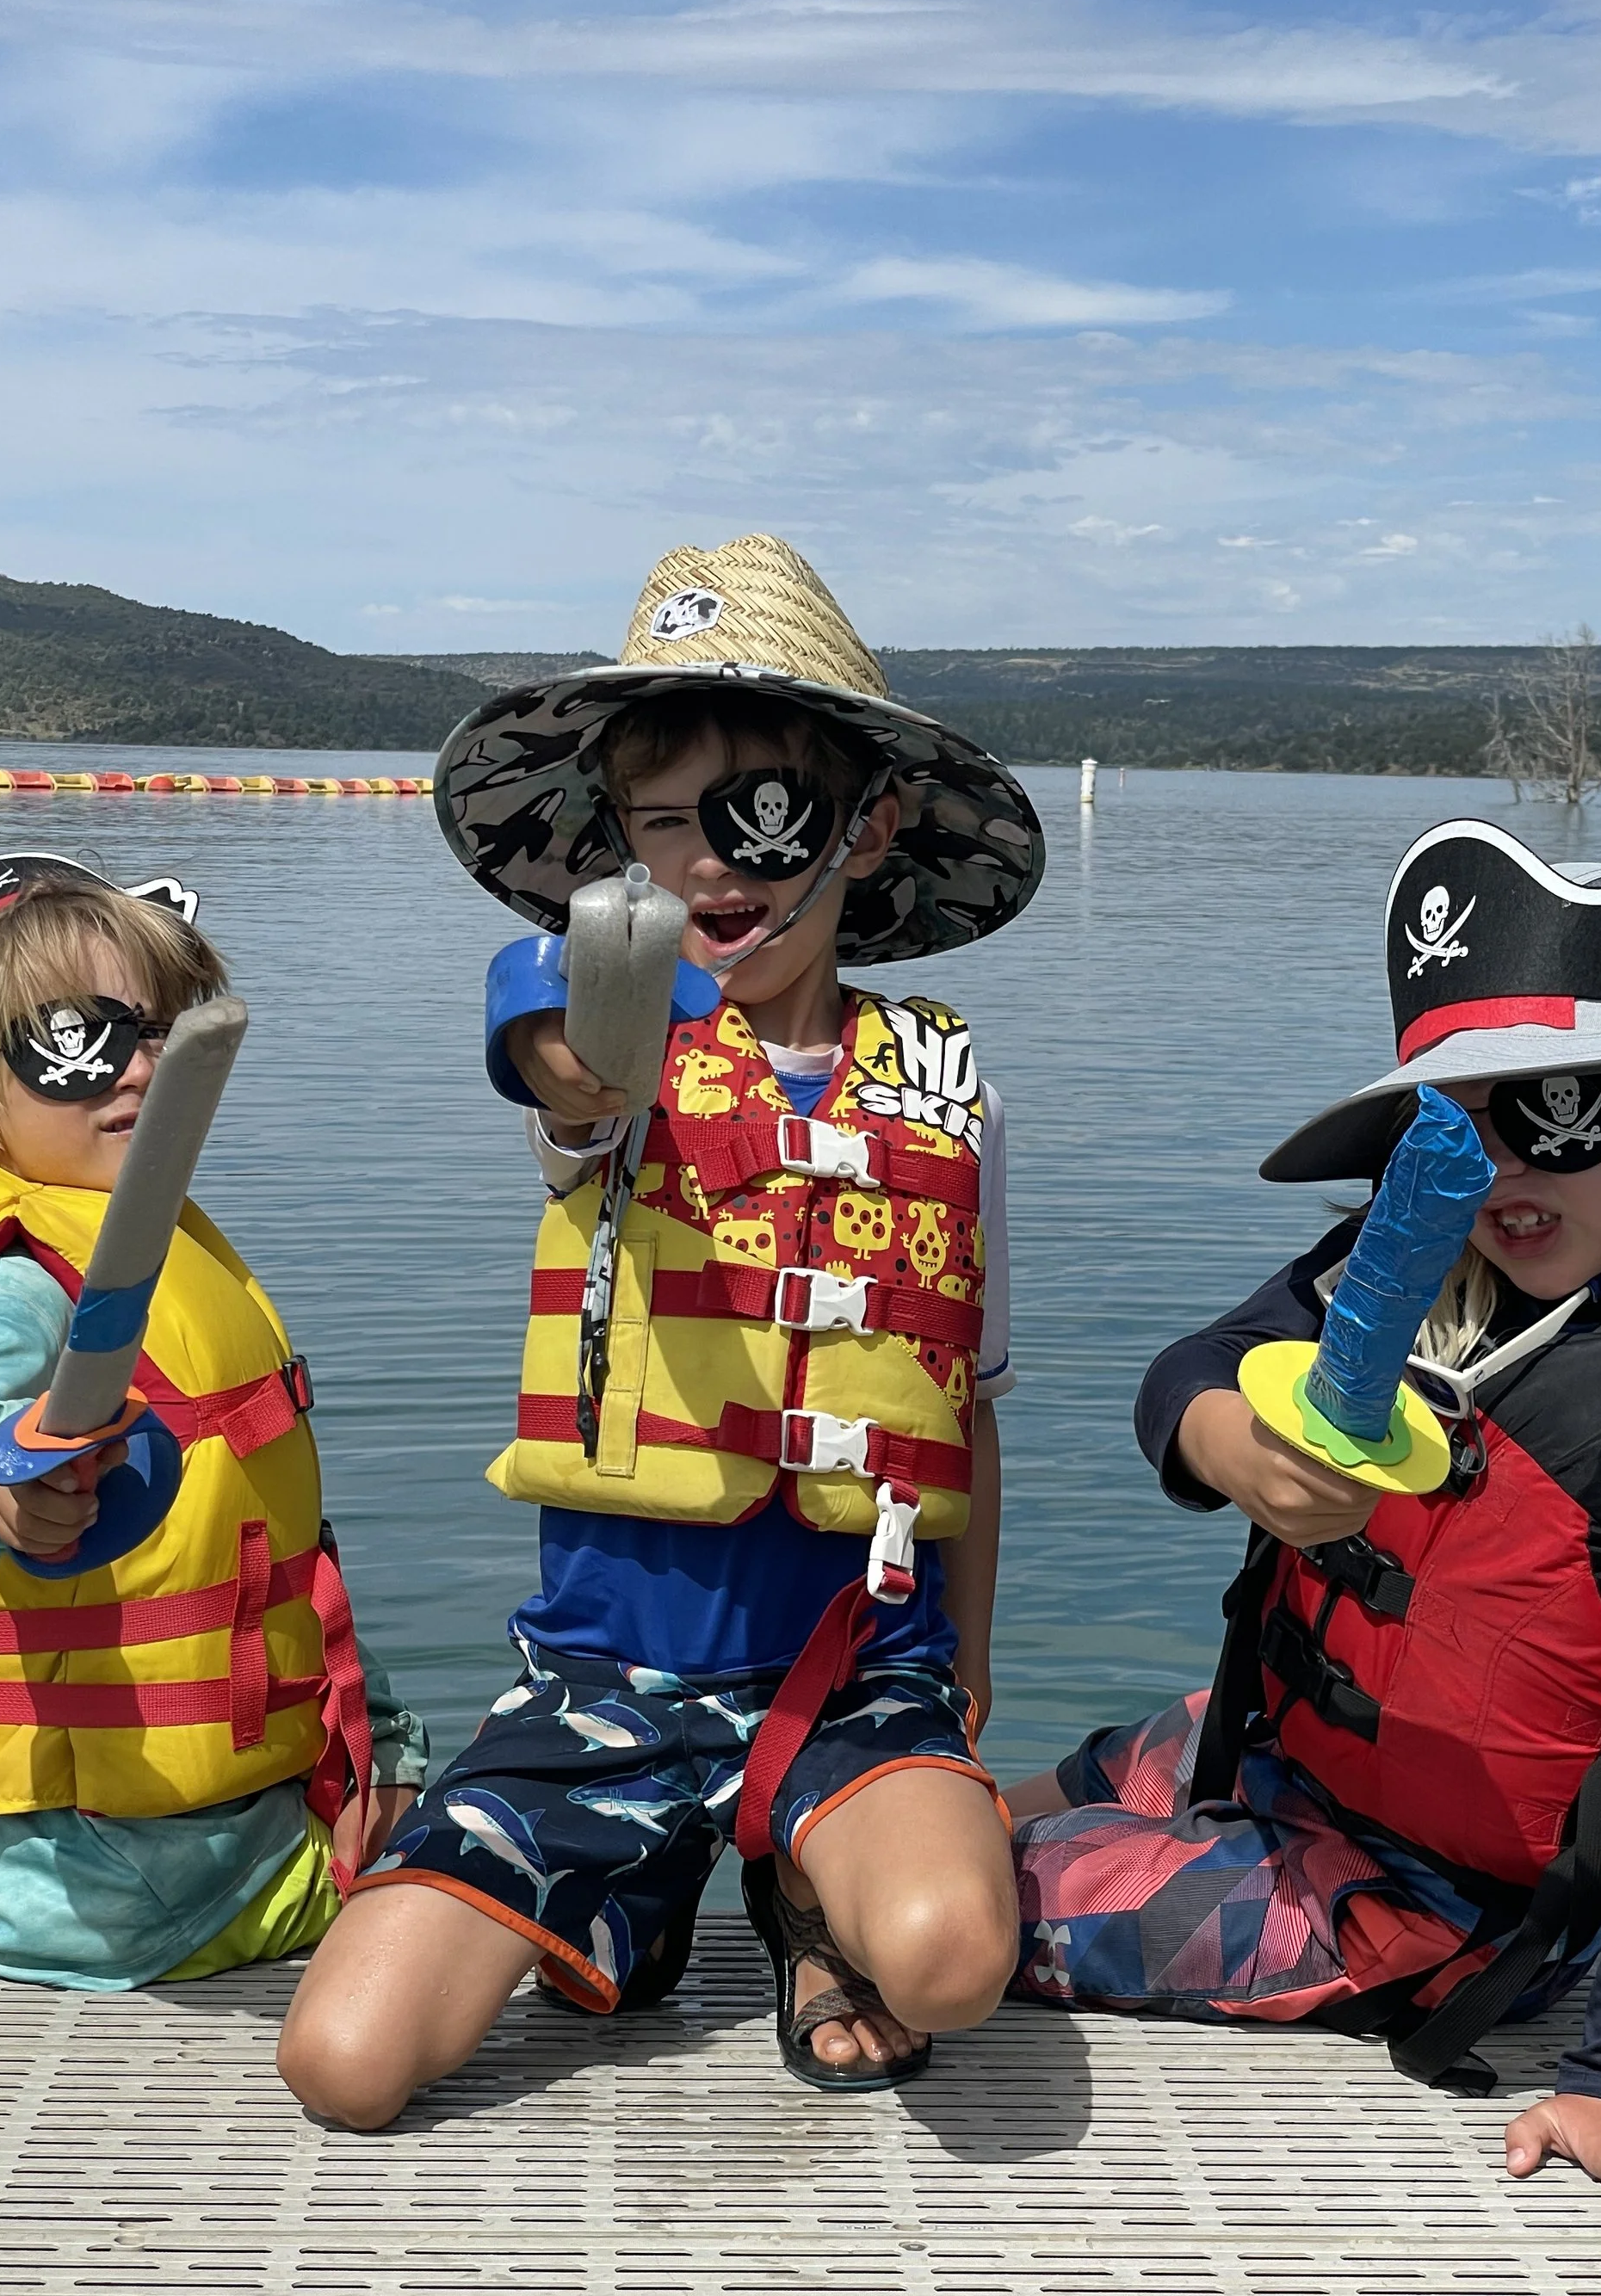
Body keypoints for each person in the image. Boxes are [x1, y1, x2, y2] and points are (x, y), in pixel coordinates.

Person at [1008, 818, 1601, 2225]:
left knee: (936, 1909)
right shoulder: (1410, 1265)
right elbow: (1187, 1373)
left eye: (1559, 1110)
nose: (1507, 1177)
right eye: (1458, 1125)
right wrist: (1230, 1445)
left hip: (1423, 1895)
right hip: (1271, 1743)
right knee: (943, 1796)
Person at [280, 533, 1045, 2123]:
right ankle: (630, 1888)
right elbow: (558, 1041)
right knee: (343, 2066)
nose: (717, 868)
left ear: (869, 821)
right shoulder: (612, 1041)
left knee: (954, 1962)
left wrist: (964, 1674)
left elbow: (963, 1402)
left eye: (765, 814)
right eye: (666, 824)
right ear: (615, 841)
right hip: (606, 1684)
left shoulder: (946, 1086)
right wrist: (581, 1043)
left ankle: (799, 1889)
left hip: (855, 1675)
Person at [0, 855, 427, 1989]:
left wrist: (380, 1739)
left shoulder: (164, 1255)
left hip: (150, 1848)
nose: (138, 1066)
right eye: (73, 1041)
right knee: (498, 1872)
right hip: (97, 1884)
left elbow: (279, 1573)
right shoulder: (14, 1291)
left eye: (157, 1031)